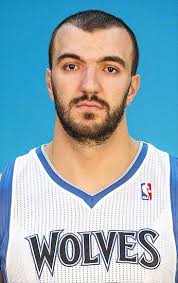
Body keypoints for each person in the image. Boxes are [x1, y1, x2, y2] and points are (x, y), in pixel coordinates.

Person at [0, 9, 177, 283]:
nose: (89, 86)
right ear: (50, 83)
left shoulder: (171, 186)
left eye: (110, 69)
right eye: (71, 66)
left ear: (132, 87)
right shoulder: (7, 193)